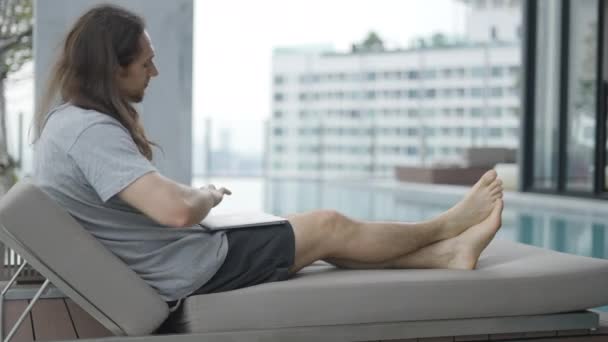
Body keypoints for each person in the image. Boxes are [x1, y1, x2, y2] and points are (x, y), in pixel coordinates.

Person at [32, 4, 504, 307]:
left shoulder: (68, 123)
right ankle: (447, 226)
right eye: (145, 62)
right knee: (328, 225)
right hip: (187, 270)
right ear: (113, 69)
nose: (154, 71)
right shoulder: (88, 130)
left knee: (315, 238)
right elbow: (175, 210)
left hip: (174, 262)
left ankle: (449, 254)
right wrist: (207, 196)